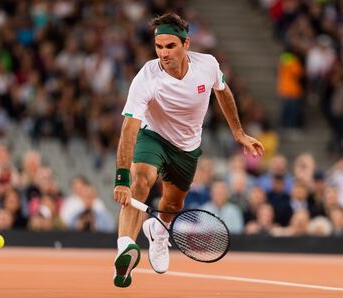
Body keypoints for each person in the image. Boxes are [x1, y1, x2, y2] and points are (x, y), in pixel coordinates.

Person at [112, 12, 264, 288]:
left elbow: (223, 92)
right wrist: (121, 176)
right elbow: (129, 129)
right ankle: (125, 248)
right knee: (141, 181)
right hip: (153, 136)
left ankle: (158, 232)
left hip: (187, 148)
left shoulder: (207, 65)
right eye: (159, 46)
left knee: (171, 205)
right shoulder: (147, 76)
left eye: (170, 46)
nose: (163, 53)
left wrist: (239, 133)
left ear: (186, 45)